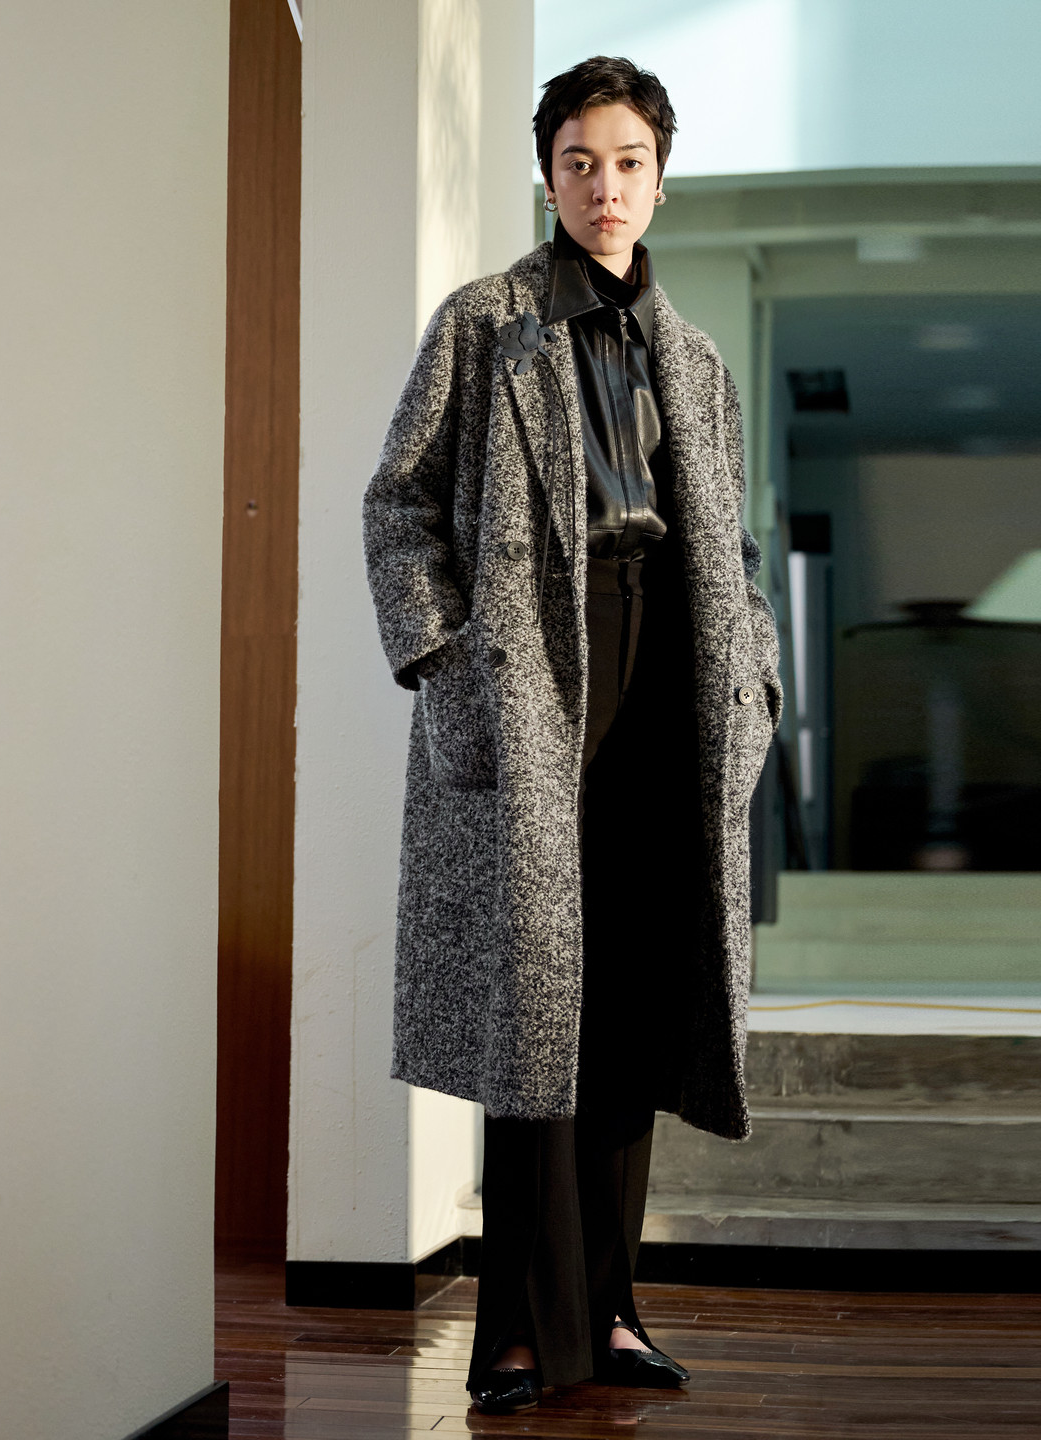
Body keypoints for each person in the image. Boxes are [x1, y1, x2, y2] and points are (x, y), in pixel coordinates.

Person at [361, 56, 783, 1414]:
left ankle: (606, 1315)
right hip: (535, 670)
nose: (605, 187)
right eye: (579, 163)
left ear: (663, 179)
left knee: (636, 992)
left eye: (628, 163)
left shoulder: (695, 359)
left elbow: (733, 552)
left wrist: (756, 681)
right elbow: (398, 505)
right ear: (547, 176)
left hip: (669, 668)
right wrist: (448, 662)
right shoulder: (486, 324)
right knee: (535, 1003)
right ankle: (518, 1334)